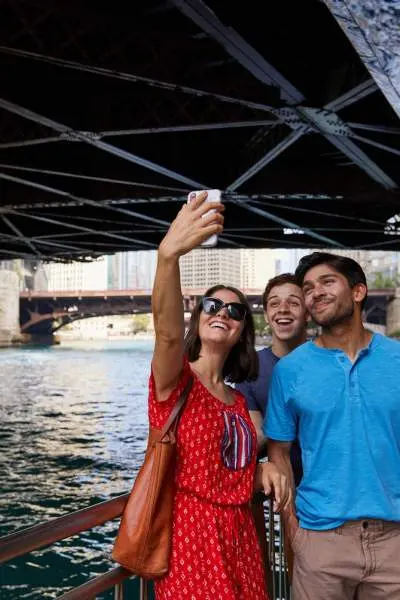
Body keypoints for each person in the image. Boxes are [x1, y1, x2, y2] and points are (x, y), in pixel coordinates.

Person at [150, 191, 290, 600]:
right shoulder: (175, 382)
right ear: (198, 318)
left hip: (242, 537)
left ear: (242, 331)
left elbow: (234, 468)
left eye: (235, 311)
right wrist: (167, 256)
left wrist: (259, 470)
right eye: (213, 305)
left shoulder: (237, 400)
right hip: (192, 541)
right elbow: (167, 333)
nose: (222, 313)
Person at [265, 251, 400, 600]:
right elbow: (279, 453)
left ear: (358, 292)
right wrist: (295, 532)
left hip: (394, 542)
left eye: (327, 282)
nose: (315, 293)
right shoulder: (289, 371)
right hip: (321, 542)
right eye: (308, 288)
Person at [236, 273, 308, 485]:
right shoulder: (250, 368)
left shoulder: (331, 362)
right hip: (287, 487)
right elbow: (255, 438)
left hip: (334, 488)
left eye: (294, 303)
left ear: (308, 313)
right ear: (267, 315)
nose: (283, 309)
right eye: (274, 303)